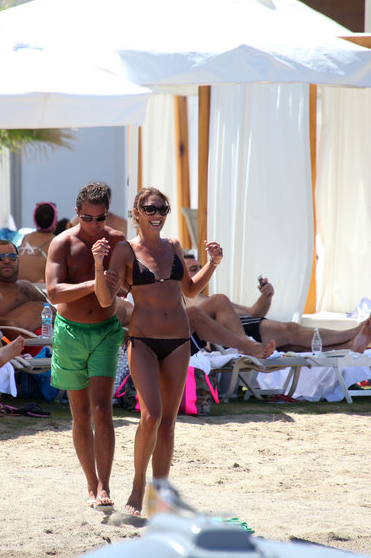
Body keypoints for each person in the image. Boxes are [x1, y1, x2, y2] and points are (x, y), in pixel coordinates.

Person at [92, 187, 228, 516]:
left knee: (168, 423)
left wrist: (213, 263)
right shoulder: (125, 250)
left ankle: (161, 494)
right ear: (137, 212)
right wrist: (98, 265)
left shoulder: (173, 246)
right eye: (150, 208)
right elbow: (105, 299)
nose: (158, 214)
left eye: (163, 209)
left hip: (179, 341)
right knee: (150, 415)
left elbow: (190, 290)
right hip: (143, 342)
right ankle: (138, 486)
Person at [46, 181, 127, 510]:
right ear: (77, 213)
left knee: (102, 409)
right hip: (69, 332)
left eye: (101, 217)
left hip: (105, 331)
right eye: (88, 218)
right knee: (80, 414)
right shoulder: (62, 243)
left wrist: (109, 279)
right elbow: (53, 292)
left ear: (108, 213)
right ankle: (91, 485)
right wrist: (95, 281)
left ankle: (105, 485)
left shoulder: (118, 242)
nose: (95, 224)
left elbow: (117, 293)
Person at [183, 254, 371, 353]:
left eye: (200, 267)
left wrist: (265, 297)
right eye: (193, 269)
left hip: (243, 327)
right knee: (291, 330)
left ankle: (348, 346)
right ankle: (350, 333)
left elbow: (253, 313)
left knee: (289, 347)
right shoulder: (182, 296)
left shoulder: (207, 298)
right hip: (231, 336)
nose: (200, 272)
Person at [0, 239, 49, 337]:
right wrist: (6, 322)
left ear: (18, 261)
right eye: (0, 258)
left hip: (51, 337)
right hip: (19, 342)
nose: (7, 261)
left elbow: (50, 308)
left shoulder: (26, 285)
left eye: (12, 257)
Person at [17, 202, 57, 283]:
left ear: (35, 220)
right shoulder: (56, 241)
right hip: (41, 287)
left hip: (19, 286)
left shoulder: (26, 237)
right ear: (55, 221)